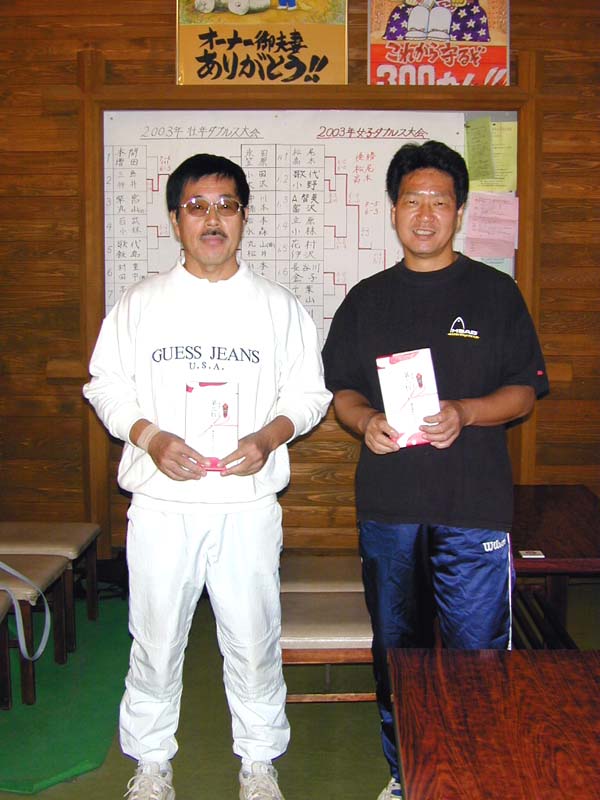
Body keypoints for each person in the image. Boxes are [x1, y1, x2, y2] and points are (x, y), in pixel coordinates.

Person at [83, 153, 331, 800]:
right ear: (176, 220)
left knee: (253, 638)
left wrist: (269, 437)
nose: (212, 219)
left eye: (226, 205)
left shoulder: (278, 307)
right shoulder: (140, 304)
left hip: (246, 505)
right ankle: (151, 762)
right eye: (197, 206)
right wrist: (151, 437)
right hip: (162, 505)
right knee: (155, 638)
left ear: (244, 218)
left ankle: (258, 760)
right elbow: (105, 386)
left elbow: (310, 395)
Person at [321, 140, 549, 800]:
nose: (425, 215)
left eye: (439, 202)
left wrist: (467, 412)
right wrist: (365, 421)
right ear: (393, 211)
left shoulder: (496, 293)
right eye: (412, 201)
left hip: (472, 508)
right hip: (389, 508)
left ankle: (477, 772)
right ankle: (407, 774)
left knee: (479, 656)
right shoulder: (366, 300)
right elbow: (342, 391)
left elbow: (524, 392)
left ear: (460, 211)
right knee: (399, 655)